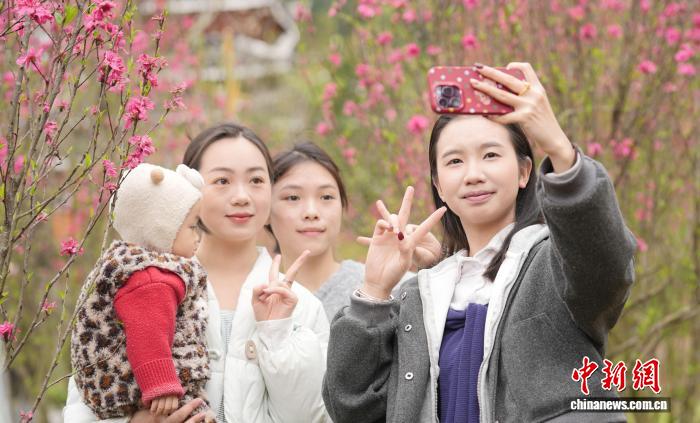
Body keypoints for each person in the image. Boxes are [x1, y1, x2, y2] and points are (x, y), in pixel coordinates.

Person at [322, 63, 636, 422]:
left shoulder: (555, 265)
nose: (473, 174)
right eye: (455, 161)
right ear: (439, 185)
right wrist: (375, 292)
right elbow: (351, 407)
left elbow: (607, 269)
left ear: (524, 172)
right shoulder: (418, 297)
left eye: (491, 155)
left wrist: (560, 151)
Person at [65, 123, 331, 423]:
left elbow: (312, 415)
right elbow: (85, 396)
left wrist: (277, 332)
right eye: (222, 180)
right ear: (188, 191)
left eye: (257, 180)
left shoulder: (302, 306)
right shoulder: (139, 282)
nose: (242, 196)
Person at [70, 163, 214, 421]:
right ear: (162, 228)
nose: (199, 236)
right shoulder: (150, 279)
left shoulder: (140, 268)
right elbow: (148, 333)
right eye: (193, 226)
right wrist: (161, 385)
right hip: (135, 386)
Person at [268, 142, 430, 319]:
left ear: (342, 206)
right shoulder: (253, 298)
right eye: (293, 197)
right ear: (266, 210)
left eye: (326, 197)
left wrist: (435, 265)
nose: (311, 212)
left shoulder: (397, 288)